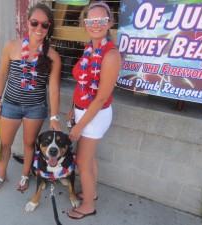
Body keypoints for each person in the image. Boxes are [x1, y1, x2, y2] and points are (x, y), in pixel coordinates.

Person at [0, 3, 62, 193]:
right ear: (27, 22)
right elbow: (2, 75)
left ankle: (24, 174)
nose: (39, 28)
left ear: (49, 27)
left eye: (44, 25)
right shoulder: (11, 46)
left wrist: (54, 117)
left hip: (35, 108)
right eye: (35, 22)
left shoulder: (52, 56)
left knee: (29, 145)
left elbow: (53, 89)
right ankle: (1, 174)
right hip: (10, 105)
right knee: (5, 144)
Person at [66, 1, 121, 219]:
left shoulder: (110, 55)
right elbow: (82, 83)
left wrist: (79, 125)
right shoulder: (91, 48)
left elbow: (100, 99)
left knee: (82, 161)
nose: (95, 25)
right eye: (91, 21)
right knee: (89, 159)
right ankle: (93, 192)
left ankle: (88, 205)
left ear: (109, 22)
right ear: (85, 24)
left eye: (101, 20)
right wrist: (73, 108)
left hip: (94, 116)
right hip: (83, 111)